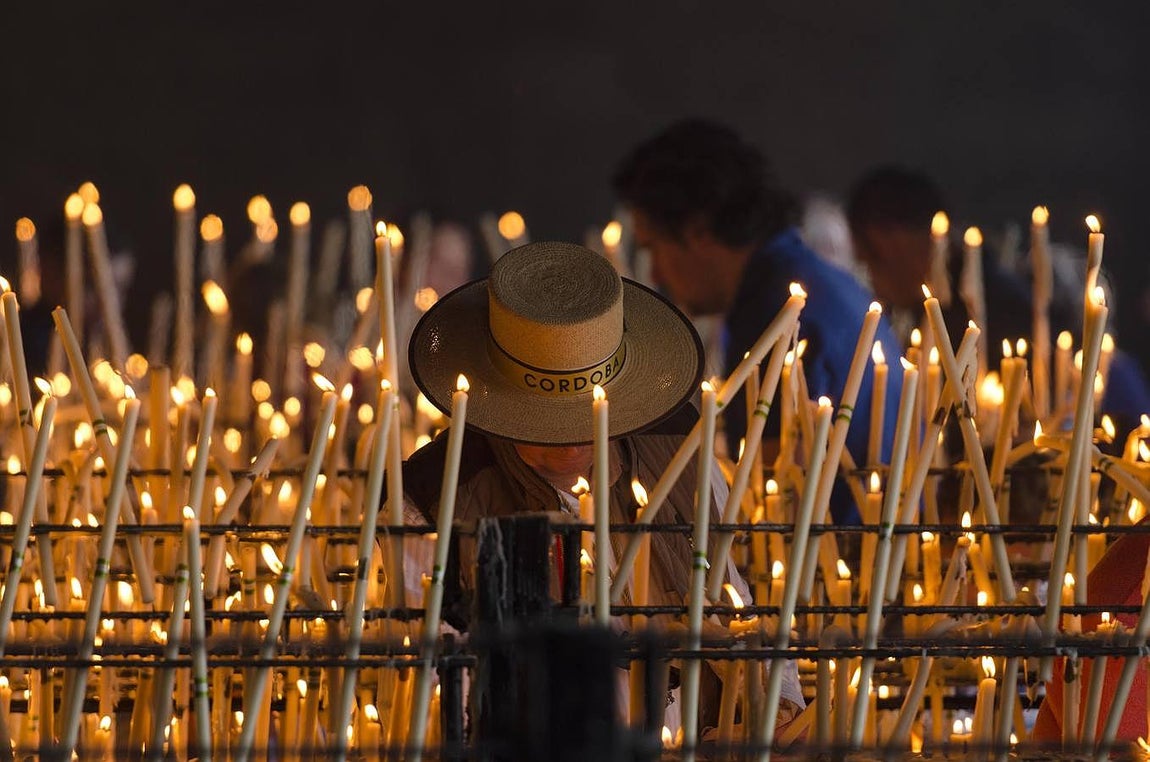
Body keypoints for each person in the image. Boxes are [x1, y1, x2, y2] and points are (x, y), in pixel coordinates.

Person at [402, 240, 804, 736]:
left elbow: (733, 600)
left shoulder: (679, 451)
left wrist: (773, 713)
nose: (572, 441)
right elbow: (428, 686)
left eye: (586, 417)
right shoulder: (432, 494)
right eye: (543, 419)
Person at [612, 119, 903, 523]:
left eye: (653, 249)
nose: (656, 275)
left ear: (696, 231)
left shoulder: (776, 311)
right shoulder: (813, 278)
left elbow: (770, 503)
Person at [846, 165, 1150, 436]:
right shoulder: (937, 307)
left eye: (870, 264)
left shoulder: (987, 311)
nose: (873, 283)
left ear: (889, 240)